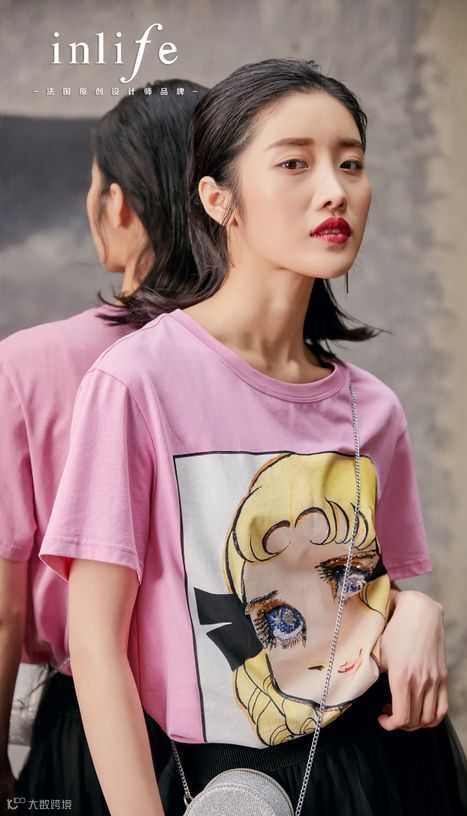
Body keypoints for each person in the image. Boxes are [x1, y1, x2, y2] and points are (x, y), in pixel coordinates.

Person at [41, 59, 467, 815]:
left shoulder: (372, 407)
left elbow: (360, 592)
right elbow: (96, 642)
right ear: (219, 199)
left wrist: (415, 610)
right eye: (294, 163)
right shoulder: (137, 383)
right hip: (200, 775)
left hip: (373, 768)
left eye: (351, 163)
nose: (334, 190)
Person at [0, 77, 207, 816]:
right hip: (247, 714)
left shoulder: (26, 365)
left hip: (88, 730)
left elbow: (4, 611)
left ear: (117, 204)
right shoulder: (255, 361)